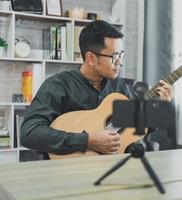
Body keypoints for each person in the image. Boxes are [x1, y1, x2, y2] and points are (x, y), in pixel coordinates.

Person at [21, 20, 173, 156]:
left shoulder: (120, 87)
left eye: (121, 54)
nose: (120, 62)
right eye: (114, 56)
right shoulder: (58, 86)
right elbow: (29, 133)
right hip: (68, 173)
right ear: (91, 58)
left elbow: (130, 132)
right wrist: (87, 140)